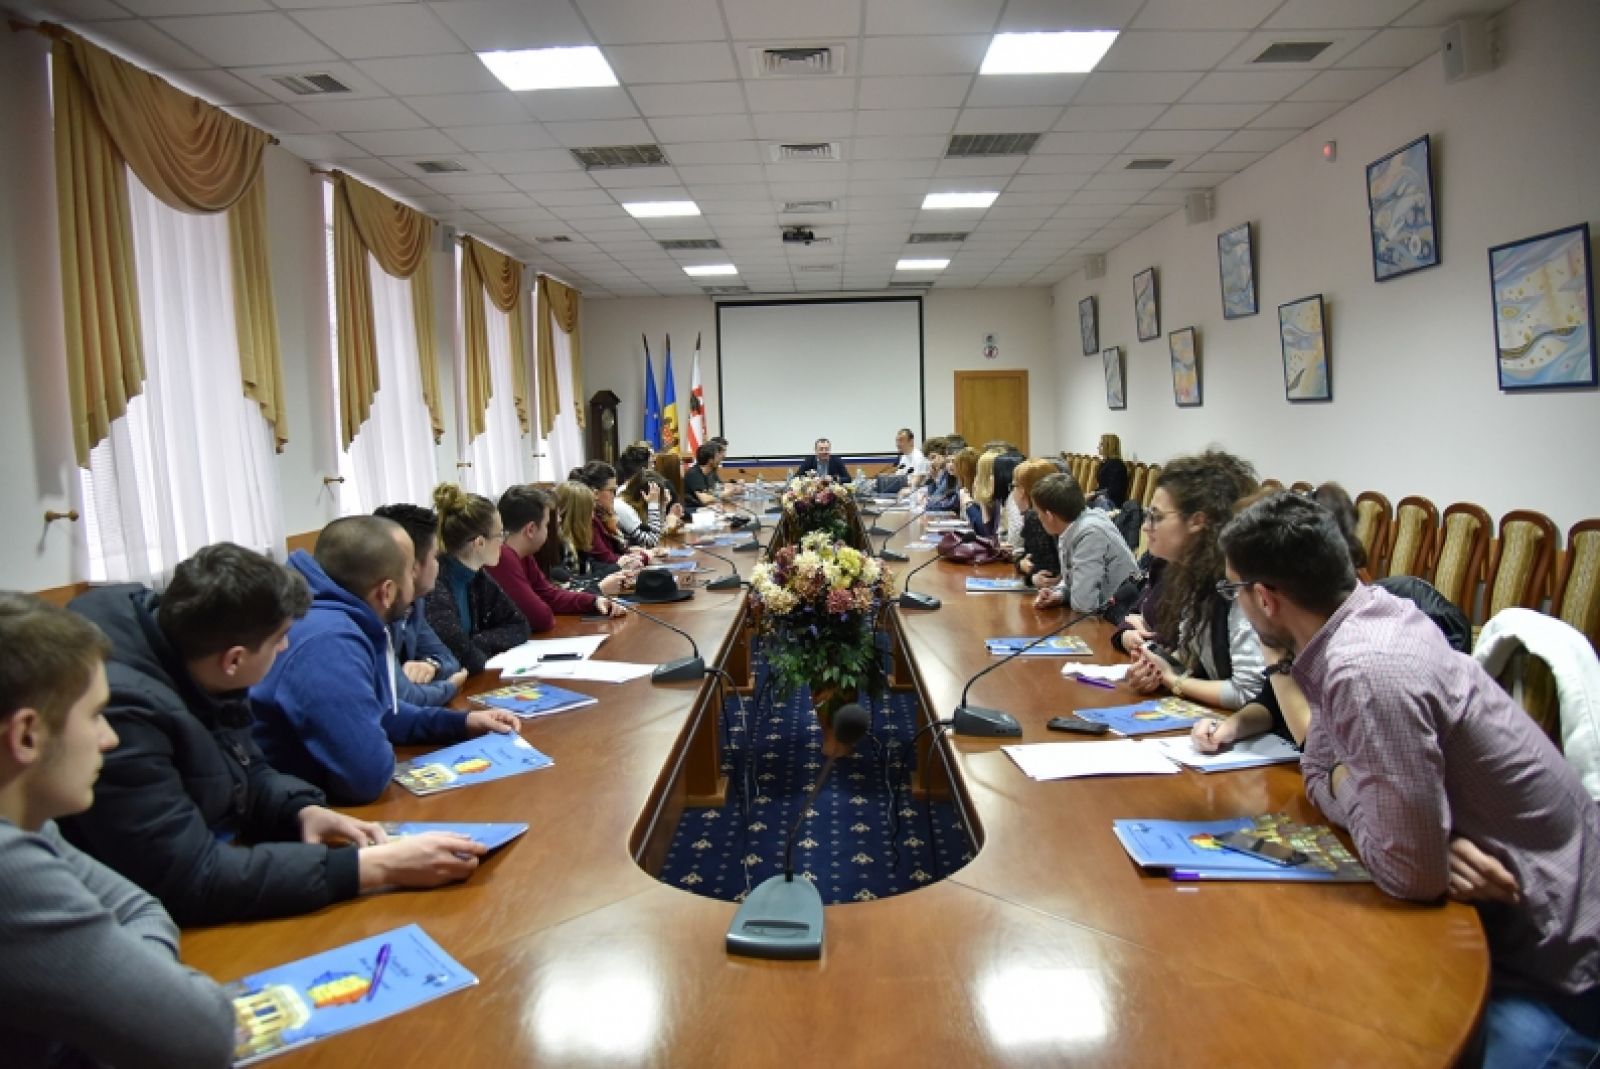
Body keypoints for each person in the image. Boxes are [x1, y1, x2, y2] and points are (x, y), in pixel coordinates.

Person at [1217, 492, 1600, 1064]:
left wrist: (1412, 840)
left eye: (1236, 592)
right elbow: (1317, 765)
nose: (1240, 606)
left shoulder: (1366, 667)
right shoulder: (1364, 619)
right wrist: (1420, 836)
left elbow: (1407, 871)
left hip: (1558, 978)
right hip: (1508, 933)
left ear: (1266, 598)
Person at [64, 543, 487, 924]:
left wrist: (298, 810)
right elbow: (190, 879)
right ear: (233, 660)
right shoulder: (123, 717)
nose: (285, 648)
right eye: (280, 639)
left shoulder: (196, 655)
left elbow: (245, 767)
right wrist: (374, 868)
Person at [0, 593, 236, 1069]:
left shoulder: (29, 823)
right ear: (27, 735)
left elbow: (140, 906)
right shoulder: (9, 865)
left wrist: (136, 980)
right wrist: (143, 986)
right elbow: (200, 1033)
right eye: (93, 715)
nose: (109, 738)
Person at [252, 515, 518, 804]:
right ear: (387, 591)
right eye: (410, 570)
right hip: (289, 814)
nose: (415, 578)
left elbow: (381, 711)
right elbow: (367, 775)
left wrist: (461, 723)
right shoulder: (330, 641)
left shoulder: (341, 617)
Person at [1120, 451, 1265, 710]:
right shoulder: (1193, 573)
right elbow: (1193, 655)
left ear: (1197, 521)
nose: (1145, 526)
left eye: (1156, 516)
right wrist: (1158, 666)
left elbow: (1250, 692)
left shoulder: (1238, 585)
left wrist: (1174, 680)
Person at [426, 483, 534, 672]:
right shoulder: (436, 584)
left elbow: (520, 625)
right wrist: (472, 647)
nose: (503, 542)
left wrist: (476, 642)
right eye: (500, 535)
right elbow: (466, 658)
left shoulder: (477, 576)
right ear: (479, 543)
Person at [487, 484, 624, 630]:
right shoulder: (503, 557)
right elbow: (541, 618)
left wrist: (593, 601)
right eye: (547, 525)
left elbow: (549, 595)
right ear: (531, 530)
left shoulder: (523, 555)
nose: (551, 531)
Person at [374, 503, 468, 707]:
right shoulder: (376, 611)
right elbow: (401, 697)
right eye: (435, 557)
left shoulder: (413, 603)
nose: (438, 565)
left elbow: (448, 659)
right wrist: (449, 687)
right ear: (413, 567)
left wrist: (431, 665)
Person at [1032, 473, 1139, 612]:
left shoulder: (1090, 533)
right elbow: (1074, 580)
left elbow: (1084, 604)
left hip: (1119, 616)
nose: (1037, 518)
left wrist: (1066, 594)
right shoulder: (1073, 524)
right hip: (1104, 613)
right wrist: (1058, 595)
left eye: (1038, 513)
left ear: (1049, 516)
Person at [1010, 458, 1062, 586]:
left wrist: (1030, 578)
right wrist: (1021, 563)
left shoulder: (1035, 517)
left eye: (1013, 486)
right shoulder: (1059, 510)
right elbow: (1027, 556)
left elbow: (1046, 574)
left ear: (1023, 491)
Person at [958, 448, 1001, 539]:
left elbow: (986, 533)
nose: (976, 477)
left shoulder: (999, 500)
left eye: (979, 473)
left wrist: (969, 504)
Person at [1090, 433, 1130, 511]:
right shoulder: (1106, 463)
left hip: (1112, 504)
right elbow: (1103, 486)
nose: (1098, 447)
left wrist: (1093, 494)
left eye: (1101, 444)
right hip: (1103, 499)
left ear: (1109, 446)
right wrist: (1092, 494)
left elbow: (1114, 490)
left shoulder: (1118, 465)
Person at [684, 441, 728, 508]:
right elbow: (705, 499)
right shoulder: (693, 474)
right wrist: (728, 493)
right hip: (694, 510)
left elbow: (721, 487)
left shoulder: (712, 472)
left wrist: (735, 488)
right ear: (710, 460)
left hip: (710, 507)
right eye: (718, 455)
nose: (721, 458)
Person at [922, 437, 961, 513]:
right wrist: (933, 478)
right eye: (929, 459)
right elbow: (932, 498)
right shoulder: (946, 473)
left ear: (944, 455)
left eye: (933, 457)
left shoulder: (951, 474)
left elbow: (934, 500)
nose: (931, 462)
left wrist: (928, 502)